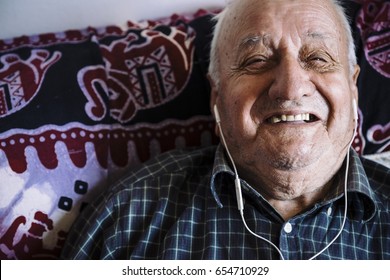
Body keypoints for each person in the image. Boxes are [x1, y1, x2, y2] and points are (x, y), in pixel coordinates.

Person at [61, 0, 390, 260]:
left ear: (353, 89)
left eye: (317, 59)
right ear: (216, 97)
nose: (291, 88)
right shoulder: (126, 218)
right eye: (256, 61)